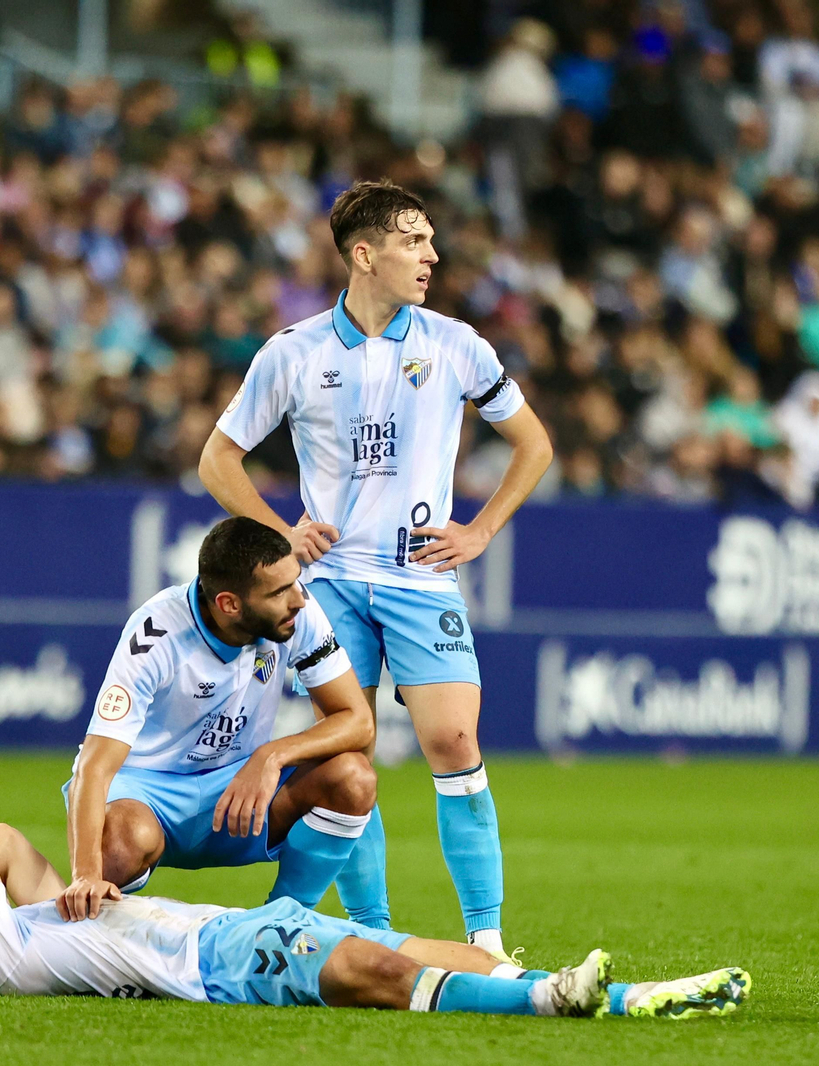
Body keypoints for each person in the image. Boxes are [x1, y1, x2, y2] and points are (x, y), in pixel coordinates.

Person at [199, 181, 554, 957]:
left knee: (456, 742)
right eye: (413, 241)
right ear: (366, 254)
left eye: (431, 240)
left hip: (422, 577)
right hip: (328, 588)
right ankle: (374, 934)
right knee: (348, 755)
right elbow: (217, 459)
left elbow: (535, 443)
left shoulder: (457, 343)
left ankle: (488, 941)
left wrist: (483, 529)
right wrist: (281, 535)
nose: (432, 255)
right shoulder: (292, 353)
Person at [0, 816, 752, 1021]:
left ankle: (622, 995)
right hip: (218, 961)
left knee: (414, 948)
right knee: (379, 973)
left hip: (235, 929)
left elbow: (0, 839)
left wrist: (61, 886)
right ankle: (549, 1001)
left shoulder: (23, 931)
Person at [59, 516, 376, 923]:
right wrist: (86, 875)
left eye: (295, 582)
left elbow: (357, 720)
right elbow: (94, 766)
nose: (298, 598)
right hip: (148, 797)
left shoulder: (298, 612)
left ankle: (281, 922)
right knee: (119, 846)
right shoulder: (156, 634)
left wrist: (270, 755)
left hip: (237, 791)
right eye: (280, 591)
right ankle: (93, 931)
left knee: (355, 777)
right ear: (229, 604)